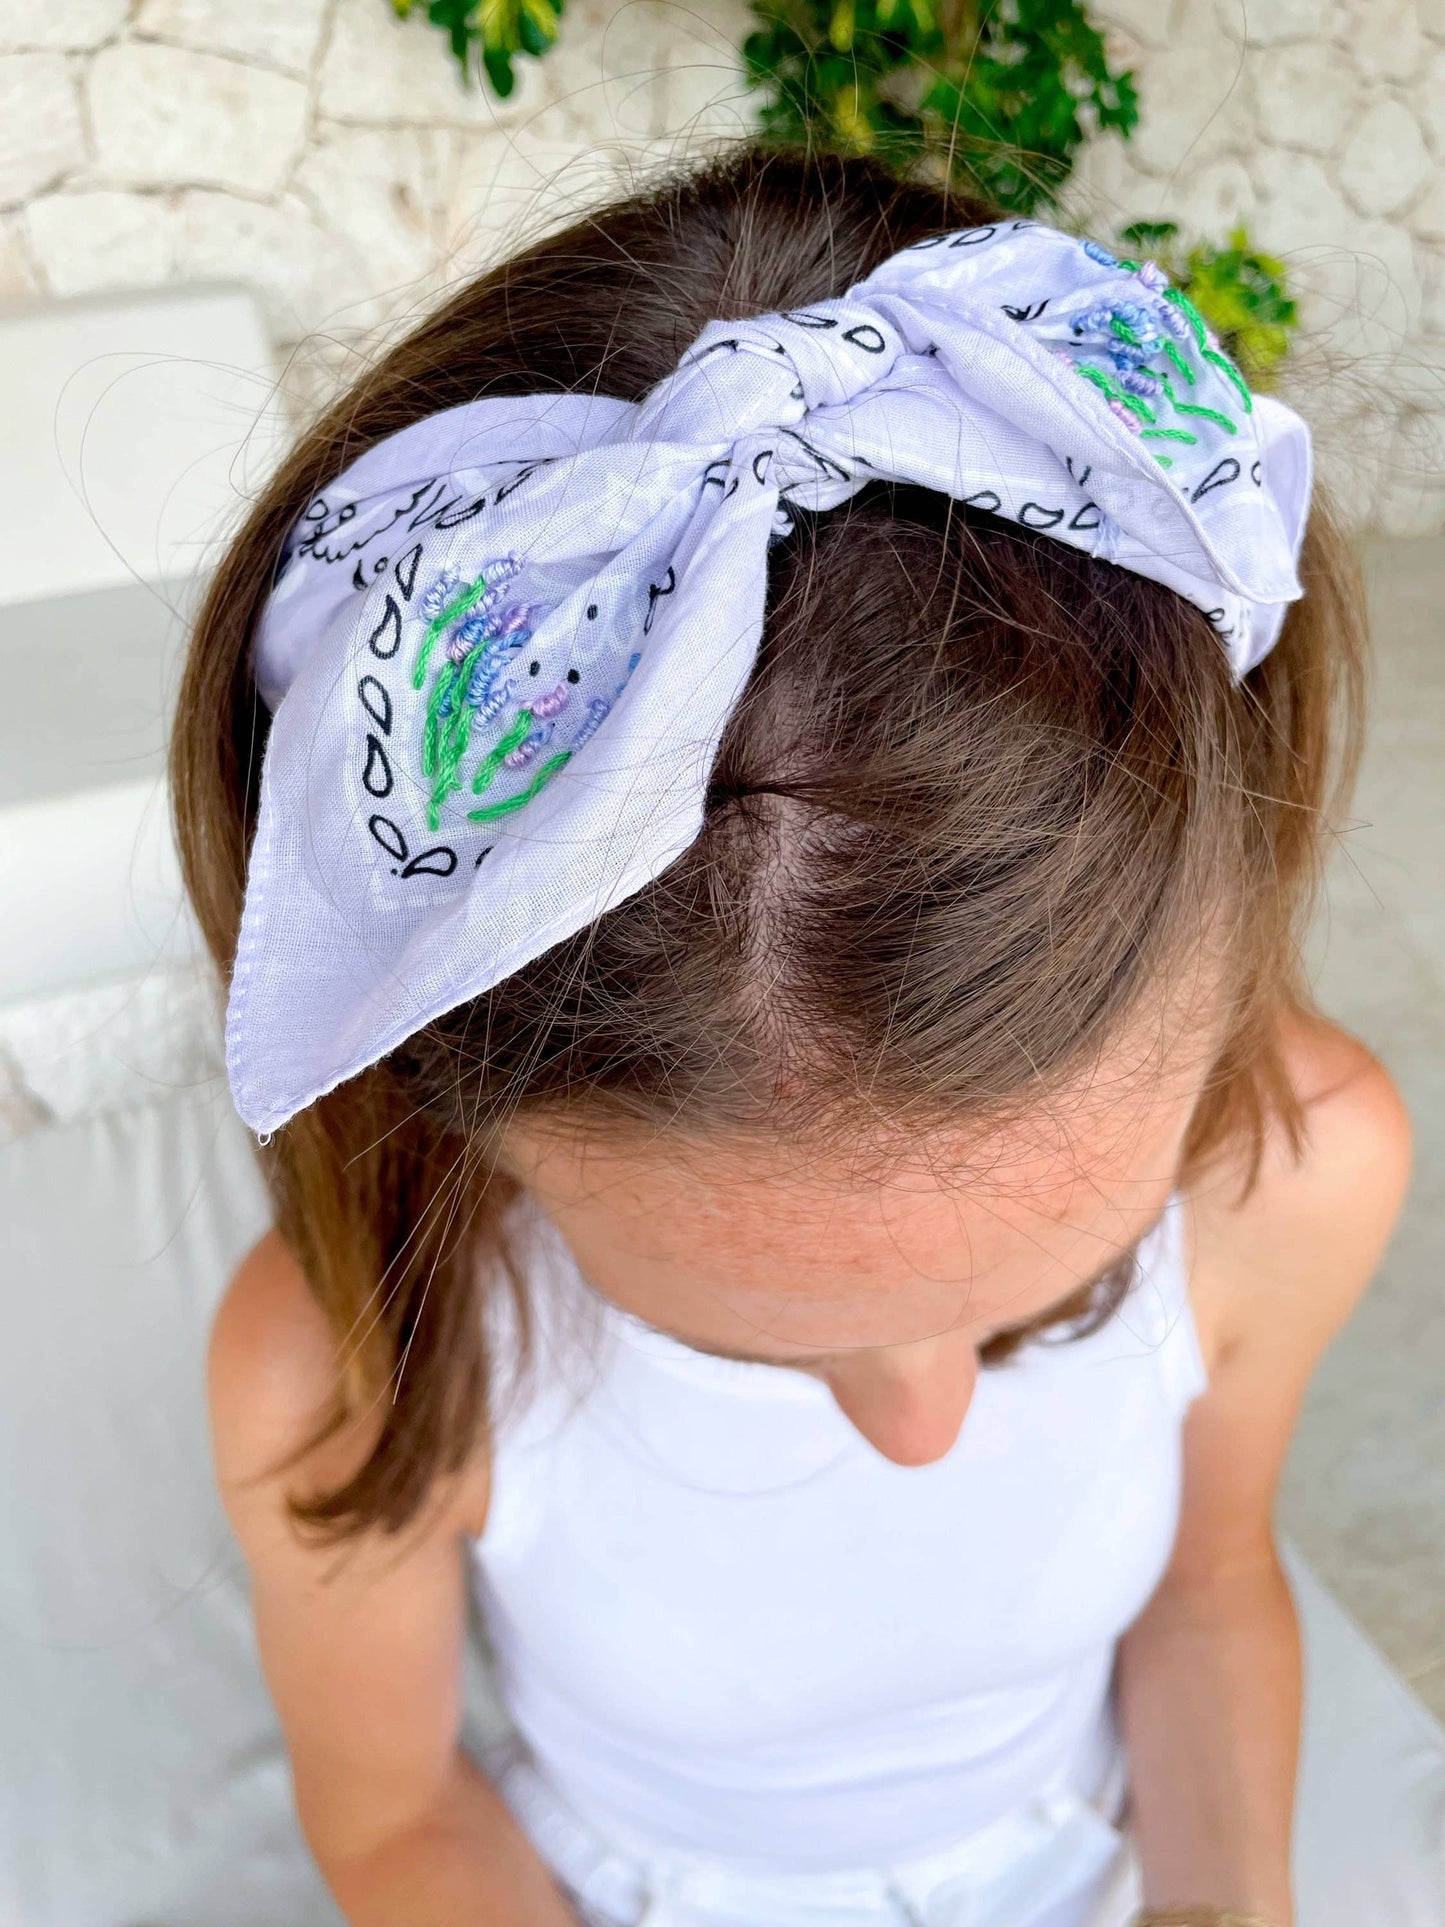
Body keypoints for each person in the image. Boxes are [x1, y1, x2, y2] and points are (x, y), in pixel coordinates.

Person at [176, 145, 1410, 1927]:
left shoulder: (1298, 1171)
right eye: (738, 1343)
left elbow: (1207, 1583)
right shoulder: (351, 1363)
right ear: (455, 1109)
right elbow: (392, 1816)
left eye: (1044, 1301)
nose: (919, 1434)